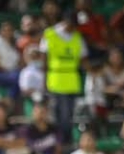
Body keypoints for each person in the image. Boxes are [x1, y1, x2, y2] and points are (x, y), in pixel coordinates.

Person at [41, 9, 88, 145]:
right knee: (58, 114)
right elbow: (44, 58)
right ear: (65, 22)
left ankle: (64, 140)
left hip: (72, 80)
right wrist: (44, 80)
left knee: (67, 115)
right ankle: (59, 140)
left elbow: (83, 59)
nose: (73, 28)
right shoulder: (50, 34)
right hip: (55, 78)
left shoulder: (77, 37)